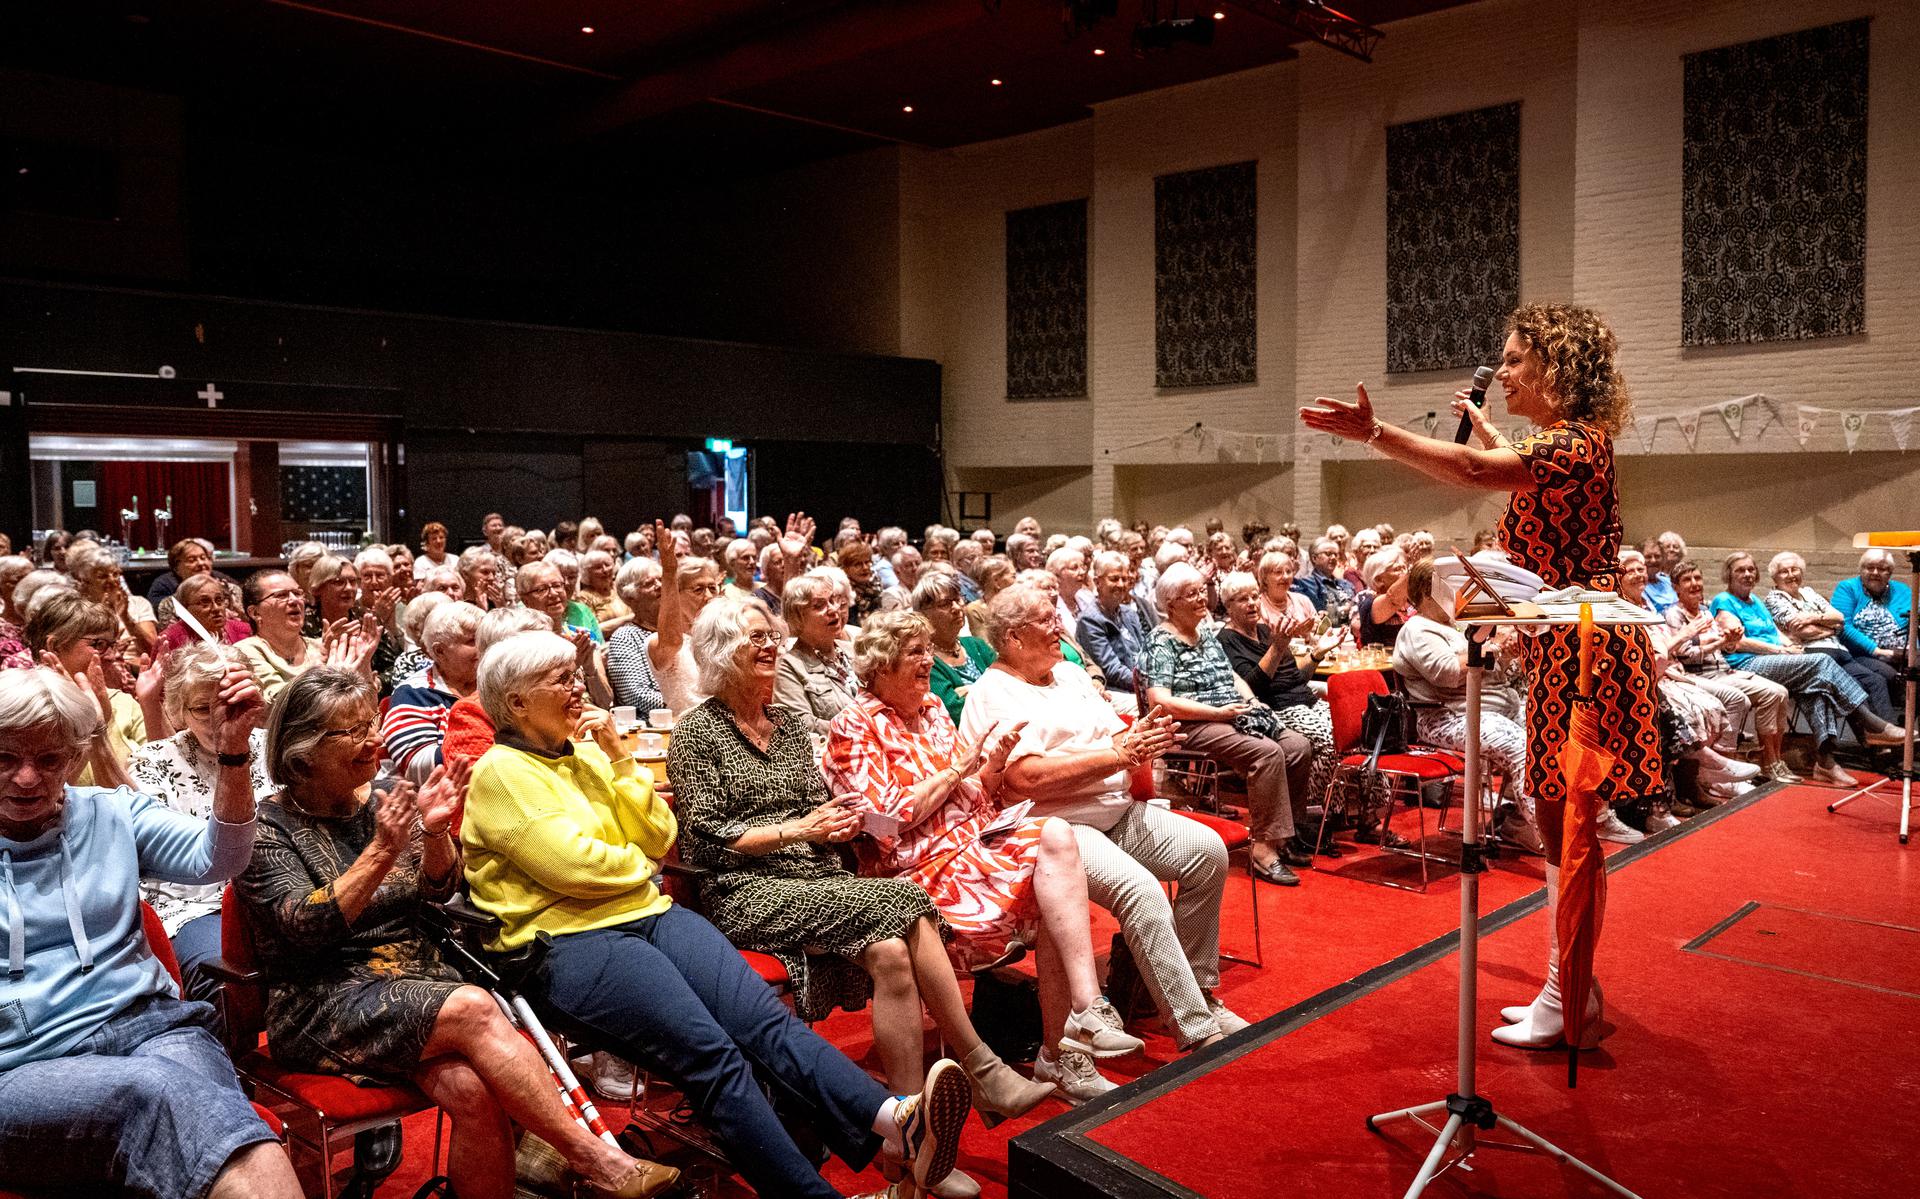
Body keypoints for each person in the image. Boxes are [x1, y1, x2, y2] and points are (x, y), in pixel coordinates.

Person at [463, 631, 969, 1199]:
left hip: (647, 914)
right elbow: (577, 869)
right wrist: (643, 862)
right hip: (568, 939)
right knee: (713, 1057)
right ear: (516, 703)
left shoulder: (586, 753)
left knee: (762, 1025)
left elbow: (660, 831)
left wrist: (622, 759)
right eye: (560, 679)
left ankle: (896, 1118)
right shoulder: (499, 774)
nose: (578, 686)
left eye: (575, 673)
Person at [1302, 302, 1665, 1052]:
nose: (1502, 372)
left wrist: (1374, 433)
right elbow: (1514, 475)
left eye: (1514, 360)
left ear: (1555, 367)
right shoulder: (1571, 446)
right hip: (1571, 650)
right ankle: (1575, 984)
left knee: (1567, 837)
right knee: (1562, 829)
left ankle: (1569, 993)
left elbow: (1471, 469)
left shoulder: (1573, 445)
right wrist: (1495, 432)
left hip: (1584, 659)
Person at [240, 667, 675, 1199]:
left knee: (473, 1092)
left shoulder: (382, 798)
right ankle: (593, 1157)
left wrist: (434, 831)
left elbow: (437, 887)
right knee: (473, 1006)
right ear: (300, 751)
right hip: (323, 997)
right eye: (351, 731)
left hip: (417, 982)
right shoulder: (266, 829)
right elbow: (305, 929)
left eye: (369, 722)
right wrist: (382, 849)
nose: (373, 739)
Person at [669, 607, 1051, 1195]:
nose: (772, 645)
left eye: (773, 635)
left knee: (893, 956)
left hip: (818, 876)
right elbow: (707, 840)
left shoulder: (791, 724)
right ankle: (980, 1065)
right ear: (721, 650)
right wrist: (803, 830)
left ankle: (907, 1145)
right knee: (904, 895)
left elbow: (825, 815)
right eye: (756, 638)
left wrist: (846, 826)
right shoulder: (698, 733)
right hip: (746, 889)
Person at [0, 664, 303, 1198]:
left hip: (152, 1027)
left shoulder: (111, 813)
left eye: (48, 760)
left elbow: (221, 858)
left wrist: (234, 759)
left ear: (74, 758)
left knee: (231, 1127)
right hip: (24, 1064)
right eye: (5, 759)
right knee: (165, 1096)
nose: (27, 778)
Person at [826, 610, 1144, 1113]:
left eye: (927, 649)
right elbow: (885, 816)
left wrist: (991, 768)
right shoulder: (853, 727)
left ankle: (1085, 1012)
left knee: (1058, 836)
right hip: (917, 871)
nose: (927, 660)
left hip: (972, 847)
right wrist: (958, 768)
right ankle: (1060, 1055)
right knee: (1051, 891)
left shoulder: (932, 709)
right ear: (880, 665)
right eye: (914, 651)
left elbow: (974, 796)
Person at [956, 584, 1250, 1059]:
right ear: (1012, 637)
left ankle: (1201, 990)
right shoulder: (994, 693)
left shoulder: (1069, 675)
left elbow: (1116, 737)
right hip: (1056, 827)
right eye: (1045, 620)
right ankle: (1195, 1027)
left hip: (1116, 810)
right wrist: (1114, 754)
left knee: (1207, 853)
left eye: (1056, 616)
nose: (1059, 627)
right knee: (1142, 891)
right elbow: (1026, 777)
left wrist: (1142, 736)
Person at [1142, 564, 1317, 883]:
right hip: (1189, 724)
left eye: (1201, 590)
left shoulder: (1205, 633)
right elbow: (1160, 701)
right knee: (1266, 752)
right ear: (1171, 605)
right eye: (1191, 594)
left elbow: (1232, 677)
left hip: (1229, 713)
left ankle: (1283, 839)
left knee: (1297, 745)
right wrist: (1218, 714)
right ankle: (1263, 849)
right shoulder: (1161, 641)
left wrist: (1252, 702)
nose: (1201, 598)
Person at [128, 642, 280, 1008]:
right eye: (201, 708)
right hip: (194, 907)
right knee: (220, 977)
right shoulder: (154, 760)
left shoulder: (275, 749)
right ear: (178, 710)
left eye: (229, 705)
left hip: (279, 897)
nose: (217, 720)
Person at [1390, 560, 1550, 852]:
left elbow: (1494, 669)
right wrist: (1491, 647)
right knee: (1521, 747)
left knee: (1550, 735)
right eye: (1451, 588)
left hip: (1493, 709)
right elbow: (1446, 672)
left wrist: (1505, 655)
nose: (1459, 594)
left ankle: (1517, 822)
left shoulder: (1455, 625)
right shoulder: (1417, 629)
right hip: (1448, 718)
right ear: (1428, 594)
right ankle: (1552, 840)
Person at [1711, 551, 1902, 785]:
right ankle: (1870, 724)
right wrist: (1778, 651)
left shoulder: (1756, 602)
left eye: (1751, 569)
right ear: (1728, 574)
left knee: (1817, 688)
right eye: (1740, 570)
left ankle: (1826, 762)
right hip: (1748, 663)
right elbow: (1738, 642)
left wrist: (1790, 646)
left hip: (1778, 660)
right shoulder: (1724, 601)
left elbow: (1777, 633)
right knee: (1821, 661)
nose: (1748, 574)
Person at [1215, 571, 1370, 849]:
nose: (1251, 603)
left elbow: (1295, 677)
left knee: (1361, 732)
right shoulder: (1225, 641)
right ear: (1228, 606)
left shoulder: (1266, 631)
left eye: (1254, 597)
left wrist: (1318, 653)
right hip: (1275, 709)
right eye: (1242, 599)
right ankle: (1313, 818)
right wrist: (1277, 648)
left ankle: (1366, 816)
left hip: (1304, 700)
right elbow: (1253, 687)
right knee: (1329, 738)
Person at [1665, 559, 1795, 787]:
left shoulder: (1706, 612)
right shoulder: (1675, 615)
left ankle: (1771, 761)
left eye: (1697, 578)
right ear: (1676, 587)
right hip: (1699, 676)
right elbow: (1685, 654)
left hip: (1725, 671)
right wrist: (1718, 642)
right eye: (1687, 580)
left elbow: (1727, 648)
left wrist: (1732, 639)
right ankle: (1726, 768)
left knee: (1779, 693)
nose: (1695, 584)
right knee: (1739, 700)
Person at [1766, 551, 1898, 722]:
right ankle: (1873, 740)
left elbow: (1839, 618)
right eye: (1784, 571)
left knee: (1876, 681)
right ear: (1774, 577)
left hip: (1839, 651)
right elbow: (1802, 632)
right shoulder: (1775, 599)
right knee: (1855, 687)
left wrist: (1811, 618)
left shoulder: (1809, 593)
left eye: (1795, 569)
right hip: (1814, 655)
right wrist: (1831, 628)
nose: (1791, 575)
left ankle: (1892, 739)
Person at [382, 601, 483, 784]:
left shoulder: (493, 681)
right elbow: (419, 768)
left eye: (484, 639)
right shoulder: (413, 694)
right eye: (471, 641)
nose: (482, 648)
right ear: (439, 651)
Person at [774, 572, 861, 750]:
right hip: (839, 753)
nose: (833, 609)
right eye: (819, 605)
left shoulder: (853, 650)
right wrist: (860, 729)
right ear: (798, 617)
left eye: (832, 600)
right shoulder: (789, 666)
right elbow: (800, 724)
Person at [912, 573, 997, 724]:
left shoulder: (976, 645)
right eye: (945, 604)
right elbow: (954, 712)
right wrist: (992, 688)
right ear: (923, 615)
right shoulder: (925, 661)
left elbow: (1013, 684)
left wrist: (970, 691)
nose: (957, 608)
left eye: (958, 599)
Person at [1076, 550, 1150, 717]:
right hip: (1117, 691)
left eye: (1124, 579)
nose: (1121, 584)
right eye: (1114, 579)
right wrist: (1150, 684)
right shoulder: (1089, 620)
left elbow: (1147, 652)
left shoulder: (1128, 613)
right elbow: (1111, 669)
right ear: (1097, 582)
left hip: (1142, 684)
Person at [66, 538, 160, 656]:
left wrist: (126, 618)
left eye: (115, 574)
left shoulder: (139, 604)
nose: (112, 580)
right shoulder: (76, 609)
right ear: (85, 581)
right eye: (103, 576)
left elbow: (153, 651)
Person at [1831, 548, 1912, 664]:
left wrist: (1913, 651)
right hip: (1863, 654)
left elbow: (1914, 623)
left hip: (1905, 654)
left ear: (1890, 572)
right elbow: (1842, 626)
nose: (1875, 572)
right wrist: (1878, 651)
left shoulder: (1902, 590)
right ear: (1861, 570)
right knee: (1894, 677)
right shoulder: (1847, 588)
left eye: (1882, 568)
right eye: (1870, 567)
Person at [157, 570, 255, 655]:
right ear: (185, 609)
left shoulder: (244, 631)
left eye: (219, 600)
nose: (216, 608)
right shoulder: (169, 639)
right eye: (205, 602)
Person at [1355, 546, 1413, 649]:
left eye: (1405, 568)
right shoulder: (1369, 602)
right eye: (1397, 569)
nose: (1404, 573)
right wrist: (1415, 571)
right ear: (1379, 580)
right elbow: (1393, 599)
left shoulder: (1412, 600)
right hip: (1381, 662)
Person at [1291, 538, 1356, 624]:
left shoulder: (1346, 584)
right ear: (1314, 558)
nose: (1333, 557)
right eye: (1328, 554)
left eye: (1335, 554)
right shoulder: (1303, 585)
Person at [964, 554, 1017, 640]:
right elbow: (985, 644)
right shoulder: (975, 610)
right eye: (1013, 576)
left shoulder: (1016, 607)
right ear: (996, 581)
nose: (1016, 582)